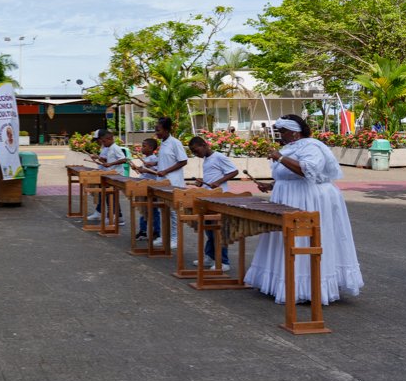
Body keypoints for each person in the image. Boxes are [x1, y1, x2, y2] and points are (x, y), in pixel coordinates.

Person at [244, 115, 364, 304]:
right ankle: (285, 282)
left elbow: (308, 171)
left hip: (309, 198)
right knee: (287, 239)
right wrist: (273, 185)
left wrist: (280, 157)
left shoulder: (311, 146)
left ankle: (308, 286)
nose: (281, 136)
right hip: (292, 195)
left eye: (283, 132)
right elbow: (290, 175)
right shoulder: (292, 147)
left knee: (304, 240)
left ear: (295, 132)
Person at [188, 136, 239, 271]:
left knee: (219, 230)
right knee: (210, 231)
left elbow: (234, 171)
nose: (196, 154)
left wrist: (219, 182)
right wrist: (202, 181)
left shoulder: (219, 157)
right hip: (209, 197)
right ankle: (210, 256)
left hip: (220, 197)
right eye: (193, 153)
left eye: (196, 151)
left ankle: (224, 262)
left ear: (204, 145)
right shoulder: (206, 159)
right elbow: (212, 175)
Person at [148, 117, 187, 250]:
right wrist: (153, 164)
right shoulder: (163, 143)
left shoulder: (175, 143)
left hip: (174, 183)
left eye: (158, 130)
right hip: (162, 183)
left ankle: (176, 238)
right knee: (164, 210)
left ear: (166, 130)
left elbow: (183, 161)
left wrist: (165, 171)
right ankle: (165, 237)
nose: (156, 133)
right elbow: (165, 160)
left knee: (174, 213)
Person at [87, 129, 126, 224]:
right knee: (108, 196)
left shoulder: (115, 148)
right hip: (108, 175)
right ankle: (117, 217)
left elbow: (124, 159)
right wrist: (102, 160)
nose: (103, 144)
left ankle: (113, 217)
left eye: (104, 141)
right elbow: (109, 159)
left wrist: (110, 164)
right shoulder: (108, 147)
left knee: (111, 197)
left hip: (115, 176)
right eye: (102, 141)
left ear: (110, 139)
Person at [133, 138, 161, 243]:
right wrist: (138, 168)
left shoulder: (154, 159)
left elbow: (156, 172)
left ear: (151, 148)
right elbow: (145, 170)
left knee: (153, 210)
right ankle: (143, 230)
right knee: (143, 209)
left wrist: (143, 170)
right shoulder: (146, 158)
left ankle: (156, 231)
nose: (141, 148)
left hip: (151, 187)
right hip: (143, 186)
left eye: (144, 146)